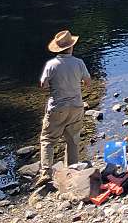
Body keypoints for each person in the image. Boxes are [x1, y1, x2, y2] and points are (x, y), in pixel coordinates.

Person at [37, 30, 91, 187]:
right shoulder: (79, 62)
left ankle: (46, 172)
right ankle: (72, 172)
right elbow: (87, 82)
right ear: (71, 47)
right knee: (73, 139)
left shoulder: (51, 65)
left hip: (57, 107)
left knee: (47, 139)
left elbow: (43, 84)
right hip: (76, 106)